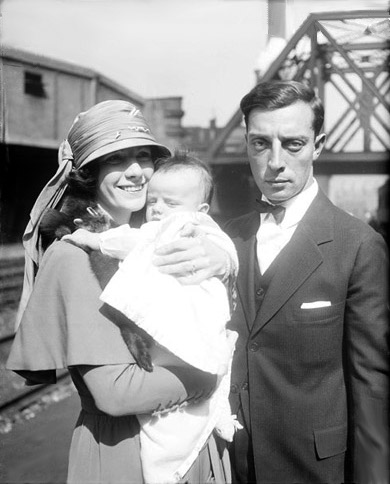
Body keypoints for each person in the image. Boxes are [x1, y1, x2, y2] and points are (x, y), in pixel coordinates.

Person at [7, 100, 234, 484]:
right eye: (116, 159)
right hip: (121, 455)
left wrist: (222, 258)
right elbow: (115, 393)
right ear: (89, 173)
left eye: (143, 156)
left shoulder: (154, 238)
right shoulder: (73, 255)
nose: (136, 172)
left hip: (191, 441)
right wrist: (209, 375)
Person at [221, 80, 388, 483]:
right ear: (246, 144)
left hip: (317, 469)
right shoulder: (226, 239)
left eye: (293, 144)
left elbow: (372, 387)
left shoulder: (358, 245)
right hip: (234, 466)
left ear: (319, 145)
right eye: (260, 143)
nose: (274, 161)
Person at [64, 151, 242, 483]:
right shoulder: (192, 230)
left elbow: (132, 241)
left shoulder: (179, 228)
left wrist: (92, 239)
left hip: (185, 346)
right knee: (180, 427)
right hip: (175, 364)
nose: (158, 208)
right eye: (154, 200)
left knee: (172, 436)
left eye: (170, 203)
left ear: (200, 211)